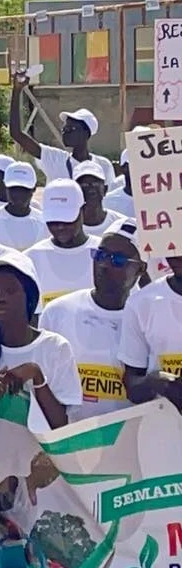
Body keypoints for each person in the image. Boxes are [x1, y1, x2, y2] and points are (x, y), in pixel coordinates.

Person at [39, 221, 143, 422]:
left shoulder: (145, 319)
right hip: (70, 443)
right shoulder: (58, 312)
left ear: (140, 269)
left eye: (118, 260)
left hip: (129, 442)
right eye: (100, 255)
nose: (104, 265)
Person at [0, 253, 83, 432]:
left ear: (29, 298)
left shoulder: (55, 347)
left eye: (10, 290)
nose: (0, 297)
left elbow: (60, 425)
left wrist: (36, 375)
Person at [9, 72, 116, 185]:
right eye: (64, 129)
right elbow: (16, 134)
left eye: (71, 129)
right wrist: (17, 91)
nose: (65, 132)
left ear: (86, 133)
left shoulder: (103, 165)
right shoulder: (55, 159)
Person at [118, 252, 182, 410]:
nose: (174, 255)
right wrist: (155, 381)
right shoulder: (141, 303)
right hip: (165, 426)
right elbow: (133, 388)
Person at [23, 179, 100, 306]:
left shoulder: (104, 254)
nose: (60, 227)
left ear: (83, 210)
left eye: (67, 219)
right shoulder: (30, 259)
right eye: (53, 220)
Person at [0, 162, 48, 252]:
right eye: (13, 189)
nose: (18, 194)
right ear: (5, 187)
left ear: (34, 188)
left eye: (24, 189)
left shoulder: (43, 222)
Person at [74, 161, 125, 237]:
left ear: (105, 189)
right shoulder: (64, 229)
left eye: (95, 184)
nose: (90, 189)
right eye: (84, 185)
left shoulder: (120, 223)